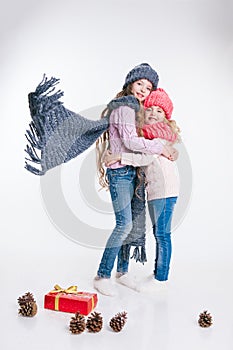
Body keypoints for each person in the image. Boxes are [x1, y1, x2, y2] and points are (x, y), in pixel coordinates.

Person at [93, 64, 178, 296]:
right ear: (131, 82)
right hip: (120, 171)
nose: (142, 89)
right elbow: (130, 142)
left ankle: (122, 272)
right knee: (124, 224)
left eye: (148, 87)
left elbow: (157, 138)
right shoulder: (124, 107)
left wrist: (166, 145)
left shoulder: (137, 110)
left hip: (130, 170)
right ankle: (102, 275)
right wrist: (160, 146)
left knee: (129, 225)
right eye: (140, 83)